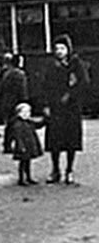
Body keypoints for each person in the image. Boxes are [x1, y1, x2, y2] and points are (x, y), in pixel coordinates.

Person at [41, 34, 89, 185]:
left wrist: (70, 94)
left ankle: (69, 170)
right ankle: (55, 169)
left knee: (71, 140)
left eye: (62, 48)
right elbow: (45, 86)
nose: (59, 51)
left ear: (68, 49)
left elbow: (84, 83)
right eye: (56, 48)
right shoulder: (51, 65)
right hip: (55, 107)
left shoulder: (76, 64)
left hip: (71, 108)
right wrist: (45, 105)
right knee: (54, 140)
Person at [5, 102, 43, 187]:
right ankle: (22, 178)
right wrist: (21, 146)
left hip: (29, 144)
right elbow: (17, 136)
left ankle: (28, 177)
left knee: (28, 161)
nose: (26, 114)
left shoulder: (29, 122)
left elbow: (37, 125)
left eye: (28, 112)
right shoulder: (17, 124)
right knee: (23, 162)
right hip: (23, 145)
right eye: (24, 112)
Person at [0, 54, 28, 153]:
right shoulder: (20, 74)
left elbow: (0, 89)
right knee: (17, 124)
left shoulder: (6, 74)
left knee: (9, 124)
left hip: (6, 102)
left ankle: (7, 144)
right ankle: (18, 145)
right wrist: (24, 101)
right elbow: (22, 89)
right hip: (16, 102)